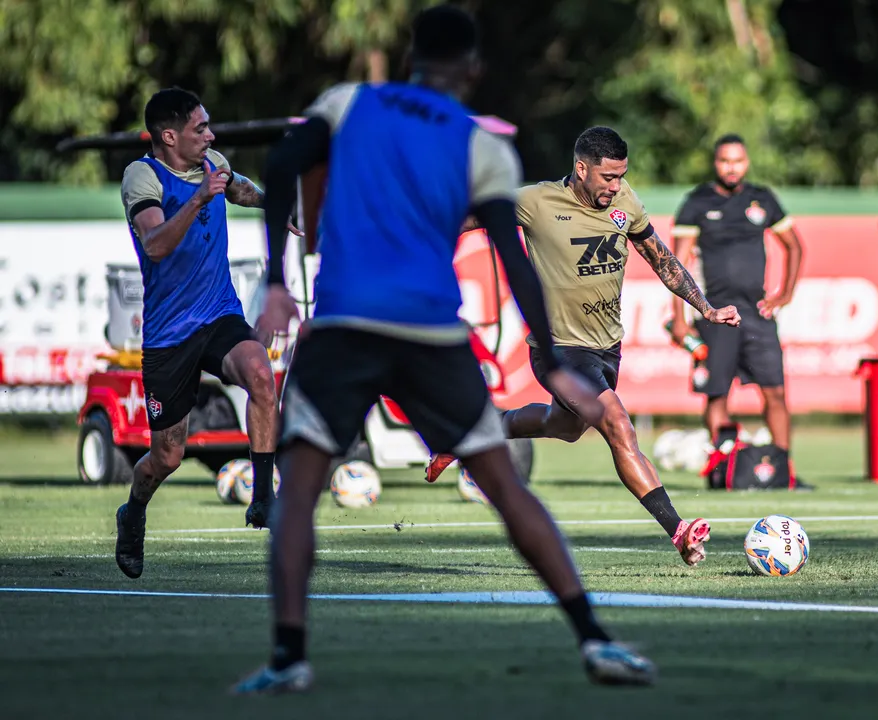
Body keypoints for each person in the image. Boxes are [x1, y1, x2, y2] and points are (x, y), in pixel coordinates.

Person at [232, 5, 655, 694]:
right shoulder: (482, 146)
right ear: (474, 69)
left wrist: (279, 281)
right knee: (506, 490)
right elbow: (514, 264)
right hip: (433, 332)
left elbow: (281, 165)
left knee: (301, 492)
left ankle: (287, 657)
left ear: (408, 59)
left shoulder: (346, 103)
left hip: (343, 326)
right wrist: (555, 365)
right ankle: (595, 640)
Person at [426, 126, 741, 567]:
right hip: (558, 350)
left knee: (566, 426)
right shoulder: (536, 202)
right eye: (608, 177)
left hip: (606, 348)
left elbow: (660, 257)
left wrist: (705, 308)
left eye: (621, 176)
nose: (615, 186)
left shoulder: (624, 201)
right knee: (616, 421)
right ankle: (679, 529)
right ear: (581, 169)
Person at [115, 88, 301, 579]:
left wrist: (278, 207)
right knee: (167, 456)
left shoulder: (212, 162)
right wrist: (199, 195)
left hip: (218, 315)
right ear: (169, 135)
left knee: (262, 374)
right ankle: (132, 513)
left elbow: (237, 188)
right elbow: (154, 244)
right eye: (201, 128)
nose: (211, 135)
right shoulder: (142, 176)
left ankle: (264, 499)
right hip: (168, 335)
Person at [669, 135, 803, 466]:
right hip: (714, 314)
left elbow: (795, 246)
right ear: (715, 163)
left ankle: (782, 469)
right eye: (724, 161)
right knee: (717, 394)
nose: (732, 167)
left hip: (757, 313)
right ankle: (721, 467)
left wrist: (784, 294)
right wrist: (682, 319)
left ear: (747, 163)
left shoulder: (762, 199)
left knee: (775, 392)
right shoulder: (696, 202)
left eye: (738, 161)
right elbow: (676, 266)